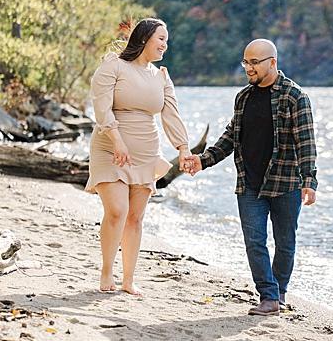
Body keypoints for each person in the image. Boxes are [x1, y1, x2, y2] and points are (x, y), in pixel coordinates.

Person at [184, 39, 319, 316]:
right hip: (249, 183)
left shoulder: (295, 96)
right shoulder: (243, 97)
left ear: (272, 62)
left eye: (254, 62)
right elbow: (231, 137)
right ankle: (268, 297)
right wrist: (203, 160)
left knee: (285, 243)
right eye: (246, 62)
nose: (249, 68)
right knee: (254, 241)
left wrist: (309, 180)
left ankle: (278, 293)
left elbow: (306, 142)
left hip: (286, 183)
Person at [85, 18, 200, 296]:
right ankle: (106, 272)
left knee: (135, 218)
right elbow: (101, 106)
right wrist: (117, 140)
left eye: (167, 41)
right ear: (145, 37)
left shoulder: (161, 76)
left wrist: (183, 149)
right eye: (161, 38)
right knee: (117, 211)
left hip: (147, 152)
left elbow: (171, 114)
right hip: (110, 148)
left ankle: (128, 280)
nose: (165, 45)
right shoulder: (113, 65)